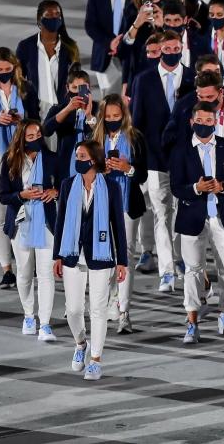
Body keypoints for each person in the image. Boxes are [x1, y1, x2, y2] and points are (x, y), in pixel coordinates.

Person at [53, 140, 129, 381]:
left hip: (101, 255)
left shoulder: (112, 187)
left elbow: (118, 225)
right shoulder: (67, 186)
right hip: (72, 254)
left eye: (82, 155)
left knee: (98, 310)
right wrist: (57, 255)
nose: (78, 159)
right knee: (73, 310)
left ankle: (95, 360)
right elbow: (61, 221)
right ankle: (80, 343)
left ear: (94, 160)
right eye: (77, 154)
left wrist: (122, 261)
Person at [170, 103, 224, 343]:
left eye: (208, 121)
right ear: (192, 122)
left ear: (215, 122)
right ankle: (192, 322)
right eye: (199, 121)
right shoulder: (181, 150)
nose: (204, 125)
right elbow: (176, 187)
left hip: (222, 217)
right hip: (192, 218)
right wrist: (196, 188)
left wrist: (223, 187)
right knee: (192, 270)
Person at [130, 31, 195, 292]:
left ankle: (179, 258)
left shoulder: (192, 78)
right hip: (155, 159)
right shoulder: (144, 80)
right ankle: (166, 270)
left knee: (181, 211)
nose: (172, 51)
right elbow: (136, 123)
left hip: (185, 159)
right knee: (161, 213)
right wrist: (140, 161)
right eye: (167, 47)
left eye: (176, 47)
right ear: (160, 49)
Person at [0, 47, 40, 290]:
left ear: (15, 68)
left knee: (28, 210)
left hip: (23, 156)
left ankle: (29, 266)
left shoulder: (26, 89)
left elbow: (37, 122)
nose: (3, 74)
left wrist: (22, 123)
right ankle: (7, 270)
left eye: (7, 70)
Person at [0, 119, 59, 341]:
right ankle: (28, 316)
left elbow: (64, 184)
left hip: (46, 224)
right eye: (30, 137)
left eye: (38, 135)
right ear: (22, 139)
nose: (35, 140)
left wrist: (55, 192)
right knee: (24, 273)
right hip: (21, 223)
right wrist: (21, 195)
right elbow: (3, 195)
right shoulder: (10, 160)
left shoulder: (52, 159)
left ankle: (45, 324)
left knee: (45, 274)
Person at [92, 94, 148, 335]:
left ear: (124, 116)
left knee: (124, 256)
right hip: (101, 205)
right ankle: (109, 303)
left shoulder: (135, 138)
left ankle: (124, 311)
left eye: (117, 116)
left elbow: (143, 174)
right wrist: (100, 168)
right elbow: (83, 170)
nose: (113, 120)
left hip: (127, 205)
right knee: (105, 257)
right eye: (108, 116)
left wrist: (128, 168)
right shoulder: (94, 140)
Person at [15, 0, 79, 124]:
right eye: (48, 15)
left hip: (63, 114)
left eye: (57, 15)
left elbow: (77, 81)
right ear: (39, 19)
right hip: (35, 114)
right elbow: (19, 81)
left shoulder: (70, 47)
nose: (54, 18)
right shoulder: (26, 46)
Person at [84, 0, 135, 97]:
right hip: (103, 55)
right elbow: (90, 25)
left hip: (130, 56)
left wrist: (123, 43)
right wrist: (109, 43)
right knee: (106, 98)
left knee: (129, 97)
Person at [43, 68, 96, 177]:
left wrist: (89, 114)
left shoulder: (98, 108)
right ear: (67, 88)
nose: (77, 92)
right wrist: (67, 109)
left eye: (82, 88)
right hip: (65, 165)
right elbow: (46, 131)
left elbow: (101, 134)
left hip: (92, 165)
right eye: (74, 87)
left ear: (89, 88)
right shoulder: (58, 109)